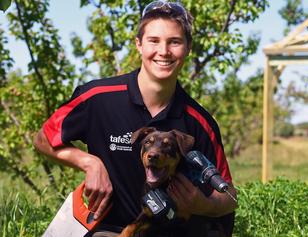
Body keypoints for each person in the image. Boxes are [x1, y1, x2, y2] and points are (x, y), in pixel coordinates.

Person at [33, 1, 237, 236]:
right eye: (154, 41)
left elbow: (229, 196)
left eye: (175, 41)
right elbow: (43, 139)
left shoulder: (199, 122)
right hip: (114, 231)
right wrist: (90, 163)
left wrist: (204, 205)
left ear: (188, 48)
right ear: (138, 44)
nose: (164, 51)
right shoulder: (98, 99)